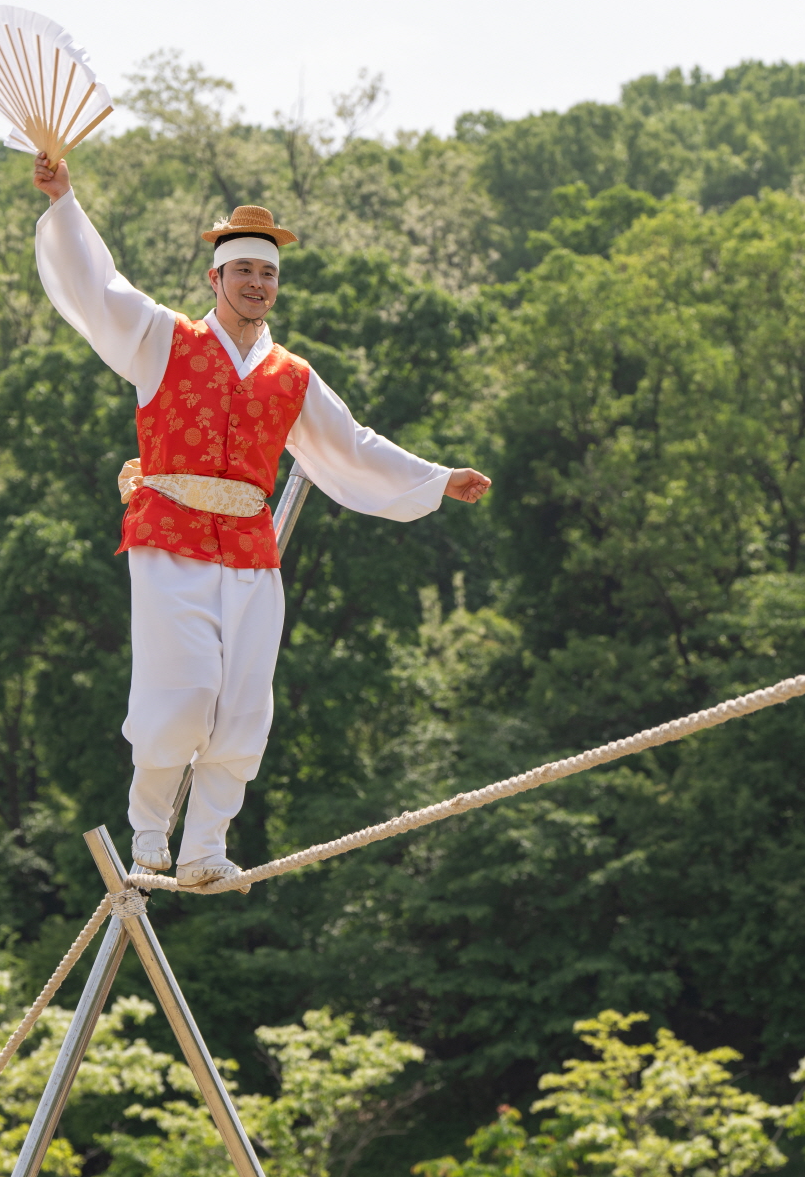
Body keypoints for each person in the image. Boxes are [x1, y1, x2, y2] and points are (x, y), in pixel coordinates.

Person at [31, 154, 491, 887]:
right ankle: (149, 825)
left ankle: (205, 846)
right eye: (242, 270)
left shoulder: (292, 377)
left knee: (243, 705)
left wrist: (436, 480)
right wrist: (64, 201)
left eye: (267, 274)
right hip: (169, 534)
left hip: (249, 546)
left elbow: (351, 445)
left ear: (276, 285)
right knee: (182, 697)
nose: (256, 283)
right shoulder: (164, 339)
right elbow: (101, 290)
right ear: (215, 279)